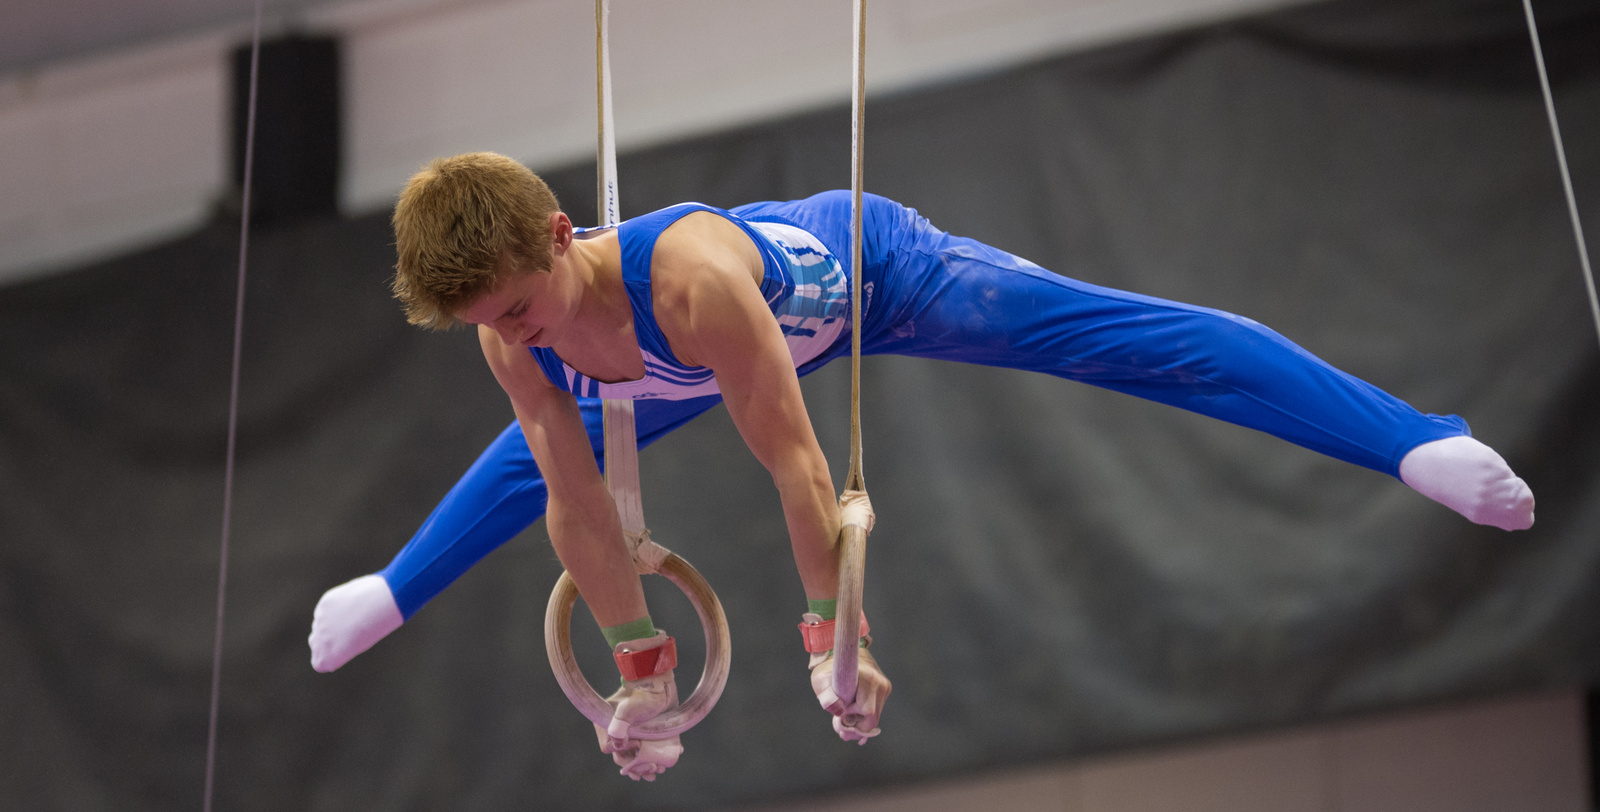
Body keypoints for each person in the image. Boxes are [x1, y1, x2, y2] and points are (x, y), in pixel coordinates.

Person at [307, 151, 1535, 780]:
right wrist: (638, 673)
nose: (512, 334)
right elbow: (575, 505)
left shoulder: (688, 284)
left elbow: (797, 469)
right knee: (526, 465)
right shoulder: (509, 337)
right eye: (488, 324)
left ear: (559, 235)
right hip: (662, 376)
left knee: (1138, 344)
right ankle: (396, 588)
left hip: (875, 279)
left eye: (519, 307)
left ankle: (1409, 437)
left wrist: (832, 643)